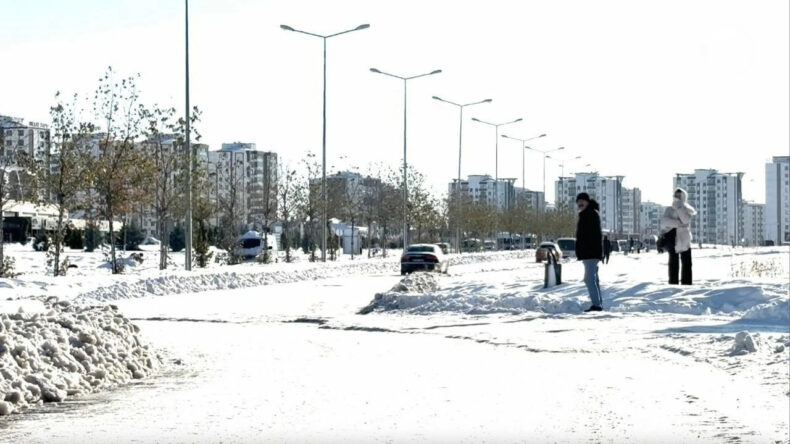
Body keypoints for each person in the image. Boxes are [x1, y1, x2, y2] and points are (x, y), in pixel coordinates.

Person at [661, 187, 697, 285]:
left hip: (685, 240)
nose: (677, 197)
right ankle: (673, 283)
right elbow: (664, 222)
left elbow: (685, 220)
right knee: (673, 263)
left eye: (679, 195)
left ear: (683, 197)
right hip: (673, 239)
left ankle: (687, 284)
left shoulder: (688, 209)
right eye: (675, 195)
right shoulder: (669, 209)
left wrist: (679, 208)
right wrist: (677, 223)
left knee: (687, 263)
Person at [575, 193, 604, 312]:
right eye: (578, 201)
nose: (580, 203)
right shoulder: (587, 214)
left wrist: (586, 248)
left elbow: (592, 235)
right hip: (589, 252)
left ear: (587, 202)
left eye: (582, 201)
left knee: (589, 279)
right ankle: (598, 303)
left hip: (591, 253)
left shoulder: (590, 214)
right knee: (594, 279)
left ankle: (597, 305)